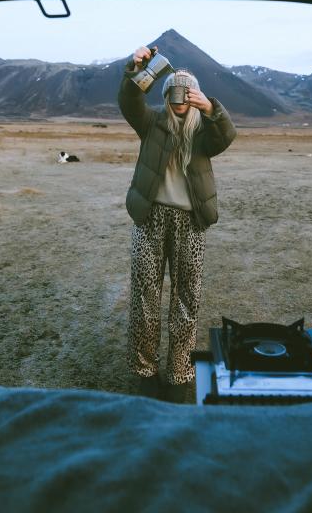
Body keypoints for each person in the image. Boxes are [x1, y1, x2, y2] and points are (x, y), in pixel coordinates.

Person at [118, 45, 237, 402]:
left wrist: (211, 107)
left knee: (187, 299)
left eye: (187, 91)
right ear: (166, 93)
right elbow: (129, 101)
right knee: (144, 297)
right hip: (150, 217)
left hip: (190, 222)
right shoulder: (152, 121)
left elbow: (227, 136)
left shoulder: (204, 132)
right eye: (174, 90)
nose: (180, 97)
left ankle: (180, 371)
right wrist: (138, 68)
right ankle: (145, 371)